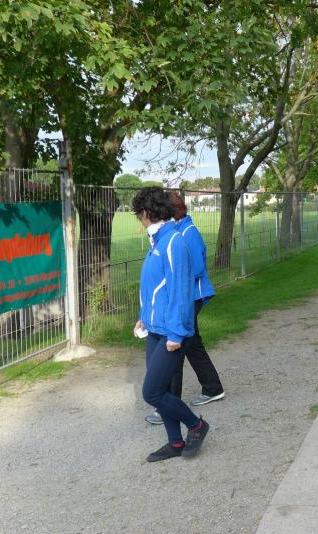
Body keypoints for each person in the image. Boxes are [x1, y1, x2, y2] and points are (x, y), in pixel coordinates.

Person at [131, 187, 210, 462]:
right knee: (162, 389)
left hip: (171, 332)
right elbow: (154, 286)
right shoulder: (157, 241)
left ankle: (196, 426)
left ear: (145, 213)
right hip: (155, 328)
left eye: (138, 214)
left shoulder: (173, 242)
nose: (139, 219)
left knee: (151, 392)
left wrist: (176, 334)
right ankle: (175, 443)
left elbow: (180, 292)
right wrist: (144, 316)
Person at [145, 192, 225, 425]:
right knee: (192, 344)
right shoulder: (176, 231)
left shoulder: (187, 233)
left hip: (191, 297)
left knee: (174, 345)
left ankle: (167, 404)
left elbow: (195, 268)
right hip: (187, 297)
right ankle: (212, 387)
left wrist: (174, 278)